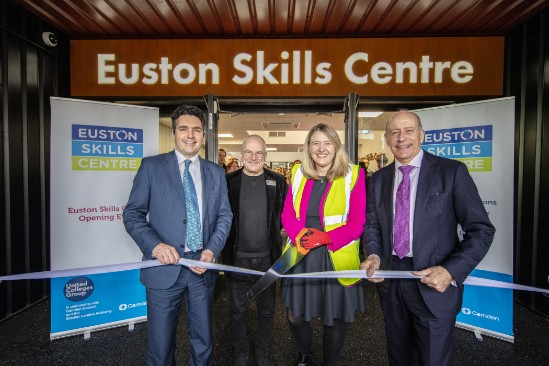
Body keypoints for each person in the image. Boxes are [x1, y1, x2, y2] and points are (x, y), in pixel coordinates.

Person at [360, 110, 495, 366]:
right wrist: (374, 255)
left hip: (434, 283)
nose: (402, 138)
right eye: (395, 132)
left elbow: (481, 230)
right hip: (392, 282)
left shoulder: (451, 172)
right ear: (387, 139)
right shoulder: (378, 179)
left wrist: (450, 272)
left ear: (422, 135)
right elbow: (373, 225)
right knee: (398, 358)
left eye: (409, 131)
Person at [123, 104, 232, 366]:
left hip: (200, 268)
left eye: (196, 130)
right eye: (184, 129)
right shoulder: (151, 167)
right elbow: (133, 214)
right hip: (163, 268)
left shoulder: (215, 172)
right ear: (174, 133)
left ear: (203, 135)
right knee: (160, 347)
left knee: (203, 341)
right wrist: (155, 246)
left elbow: (224, 216)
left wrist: (211, 251)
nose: (190, 135)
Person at [281, 123, 366, 366]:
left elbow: (358, 222)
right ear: (308, 147)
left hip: (335, 254)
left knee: (334, 318)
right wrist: (301, 234)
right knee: (295, 316)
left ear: (336, 146)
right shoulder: (298, 172)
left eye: (327, 142)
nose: (321, 148)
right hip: (302, 252)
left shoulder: (354, 174)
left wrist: (326, 237)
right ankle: (305, 353)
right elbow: (287, 213)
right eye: (315, 143)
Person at [222, 135, 288, 366]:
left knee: (267, 310)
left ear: (265, 156)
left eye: (258, 153)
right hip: (237, 259)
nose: (253, 157)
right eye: (249, 152)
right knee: (237, 311)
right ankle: (241, 352)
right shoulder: (228, 181)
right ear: (241, 154)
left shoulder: (278, 182)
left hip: (267, 260)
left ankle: (262, 351)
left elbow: (283, 219)